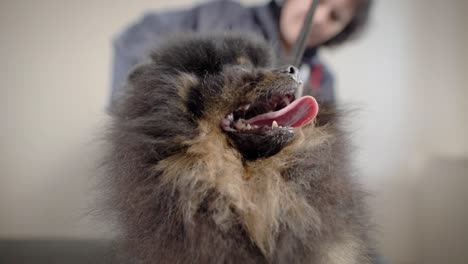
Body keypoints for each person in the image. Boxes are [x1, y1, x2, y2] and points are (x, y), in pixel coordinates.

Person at [110, 0, 372, 105]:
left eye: (335, 16)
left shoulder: (321, 80)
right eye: (319, 1)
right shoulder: (222, 18)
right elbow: (134, 38)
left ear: (342, 30)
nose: (319, 17)